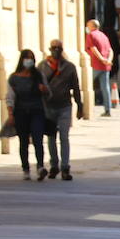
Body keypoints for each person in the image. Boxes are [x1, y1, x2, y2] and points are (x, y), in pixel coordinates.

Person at [40, 39, 83, 180]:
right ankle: (54, 165)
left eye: (58, 48)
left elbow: (75, 87)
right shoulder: (42, 66)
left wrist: (79, 105)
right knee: (51, 137)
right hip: (48, 107)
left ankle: (65, 167)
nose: (56, 50)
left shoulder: (69, 67)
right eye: (53, 48)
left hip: (65, 106)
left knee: (64, 137)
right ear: (49, 49)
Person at [5, 49, 48, 181]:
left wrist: (44, 90)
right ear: (22, 60)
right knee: (23, 141)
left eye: (31, 58)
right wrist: (10, 114)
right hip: (21, 112)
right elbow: (10, 97)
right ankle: (26, 169)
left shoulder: (38, 75)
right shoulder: (14, 78)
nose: (29, 61)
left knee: (38, 139)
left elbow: (48, 92)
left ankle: (40, 166)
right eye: (27, 58)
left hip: (37, 110)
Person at [84, 19, 113, 117]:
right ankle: (108, 110)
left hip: (95, 64)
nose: (86, 28)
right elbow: (110, 50)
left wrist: (101, 59)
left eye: (88, 25)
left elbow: (93, 48)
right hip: (105, 65)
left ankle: (84, 107)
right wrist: (108, 60)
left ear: (92, 26)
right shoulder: (104, 36)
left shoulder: (91, 35)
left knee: (86, 84)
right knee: (105, 88)